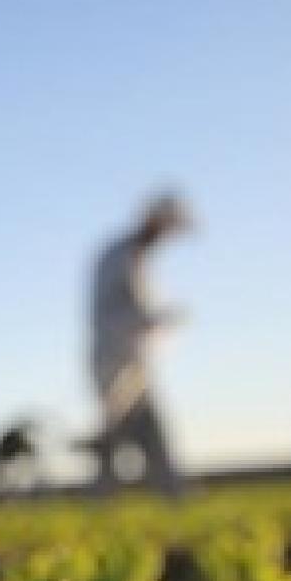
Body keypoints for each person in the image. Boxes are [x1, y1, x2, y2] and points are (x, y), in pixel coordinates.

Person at [84, 192, 193, 496]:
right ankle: (105, 499)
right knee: (120, 434)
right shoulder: (122, 256)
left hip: (131, 362)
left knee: (143, 431)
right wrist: (160, 318)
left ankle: (172, 494)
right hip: (114, 361)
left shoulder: (133, 255)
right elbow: (122, 310)